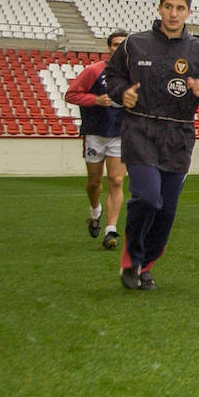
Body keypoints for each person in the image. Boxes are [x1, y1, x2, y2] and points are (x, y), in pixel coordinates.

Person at [104, 0, 199, 290]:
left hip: (178, 135)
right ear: (159, 9)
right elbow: (112, 76)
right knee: (147, 197)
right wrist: (122, 93)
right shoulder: (135, 44)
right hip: (140, 130)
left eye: (180, 8)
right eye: (168, 7)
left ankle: (147, 263)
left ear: (188, 11)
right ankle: (130, 259)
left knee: (166, 209)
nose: (174, 13)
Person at [65, 30, 130, 250]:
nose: (118, 48)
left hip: (120, 134)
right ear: (108, 47)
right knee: (94, 182)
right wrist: (94, 100)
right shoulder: (94, 71)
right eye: (114, 44)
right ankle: (95, 211)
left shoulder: (135, 75)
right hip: (95, 133)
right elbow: (71, 94)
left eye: (122, 44)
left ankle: (110, 230)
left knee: (117, 180)